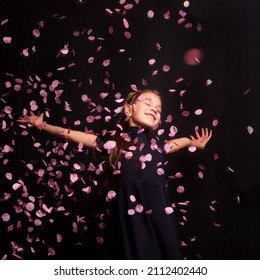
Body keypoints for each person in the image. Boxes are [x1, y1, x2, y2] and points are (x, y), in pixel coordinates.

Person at [18, 89, 212, 259]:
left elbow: (180, 142)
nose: (155, 109)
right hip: (129, 217)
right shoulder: (113, 143)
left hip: (159, 214)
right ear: (128, 110)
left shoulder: (159, 146)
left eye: (159, 108)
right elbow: (72, 134)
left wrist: (192, 142)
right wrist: (42, 125)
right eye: (148, 103)